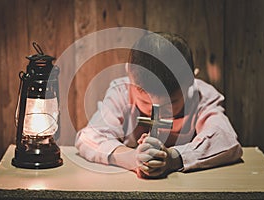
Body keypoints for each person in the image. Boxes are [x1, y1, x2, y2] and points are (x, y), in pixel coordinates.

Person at [75, 32, 243, 179]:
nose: (157, 112)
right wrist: (131, 157)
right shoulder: (121, 92)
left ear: (192, 79)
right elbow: (89, 138)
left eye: (173, 103)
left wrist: (172, 158)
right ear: (129, 73)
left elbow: (225, 139)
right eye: (145, 102)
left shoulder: (202, 96)